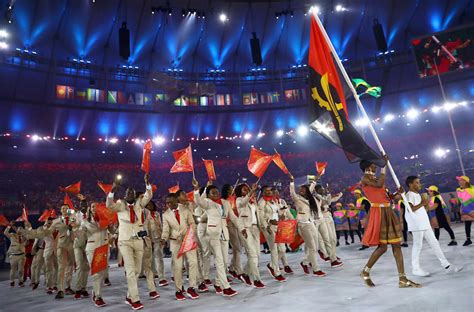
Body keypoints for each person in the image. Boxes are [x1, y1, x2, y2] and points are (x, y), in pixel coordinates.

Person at [358, 158, 420, 288]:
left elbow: (389, 199)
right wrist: (384, 166)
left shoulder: (375, 179)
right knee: (382, 247)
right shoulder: (365, 178)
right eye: (375, 164)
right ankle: (365, 271)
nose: (376, 166)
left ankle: (402, 278)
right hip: (379, 213)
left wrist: (398, 194)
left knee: (396, 244)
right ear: (369, 166)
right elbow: (379, 184)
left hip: (388, 211)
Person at [106, 173, 153, 311]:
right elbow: (109, 205)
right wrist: (112, 190)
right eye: (128, 192)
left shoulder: (139, 203)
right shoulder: (120, 204)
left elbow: (149, 195)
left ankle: (129, 295)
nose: (131, 194)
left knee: (138, 270)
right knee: (131, 270)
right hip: (125, 241)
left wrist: (147, 183)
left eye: (132, 192)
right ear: (125, 194)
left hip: (138, 239)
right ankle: (135, 299)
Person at [192, 178, 245, 297]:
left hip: (224, 234)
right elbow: (199, 202)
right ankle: (225, 287)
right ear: (208, 195)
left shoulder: (225, 203)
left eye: (217, 192)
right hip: (213, 235)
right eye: (213, 193)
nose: (216, 194)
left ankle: (217, 283)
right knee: (219, 261)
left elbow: (233, 217)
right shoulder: (208, 203)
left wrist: (242, 228)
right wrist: (196, 190)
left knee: (225, 261)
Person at [405, 176, 462, 277]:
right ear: (410, 184)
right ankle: (416, 268)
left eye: (419, 182)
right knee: (418, 246)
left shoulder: (417, 194)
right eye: (417, 182)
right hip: (417, 225)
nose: (419, 184)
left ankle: (446, 265)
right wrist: (423, 202)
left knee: (435, 243)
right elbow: (411, 209)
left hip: (424, 223)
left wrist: (425, 204)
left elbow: (423, 209)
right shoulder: (409, 195)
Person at [161, 193, 200, 301]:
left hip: (188, 240)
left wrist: (190, 234)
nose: (168, 204)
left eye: (171, 202)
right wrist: (163, 239)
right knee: (177, 267)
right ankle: (178, 289)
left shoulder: (185, 209)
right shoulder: (165, 215)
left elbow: (192, 223)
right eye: (167, 203)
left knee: (193, 263)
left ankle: (192, 287)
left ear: (176, 201)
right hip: (175, 242)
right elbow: (166, 230)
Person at [288, 175, 326, 277]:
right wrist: (292, 182)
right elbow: (292, 193)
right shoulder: (297, 199)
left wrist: (315, 180)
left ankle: (305, 262)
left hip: (311, 223)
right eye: (299, 189)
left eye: (302, 189)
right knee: (312, 247)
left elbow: (310, 188)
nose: (300, 190)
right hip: (303, 225)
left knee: (316, 246)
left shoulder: (309, 199)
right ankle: (316, 269)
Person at [78, 202, 110, 307]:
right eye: (92, 206)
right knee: (96, 272)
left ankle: (95, 292)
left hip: (103, 248)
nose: (94, 208)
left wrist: (113, 223)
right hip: (91, 248)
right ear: (90, 209)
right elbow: (81, 238)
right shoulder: (85, 221)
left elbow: (114, 230)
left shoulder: (105, 219)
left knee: (101, 273)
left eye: (96, 206)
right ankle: (98, 297)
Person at [235, 183, 265, 288]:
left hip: (255, 229)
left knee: (257, 255)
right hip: (246, 229)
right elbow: (243, 202)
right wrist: (252, 191)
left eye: (247, 189)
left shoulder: (253, 202)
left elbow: (258, 215)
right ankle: (257, 279)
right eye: (244, 190)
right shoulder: (239, 200)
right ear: (239, 192)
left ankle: (245, 274)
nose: (247, 191)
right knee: (252, 255)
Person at [310, 184, 343, 268]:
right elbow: (321, 206)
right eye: (322, 189)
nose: (323, 190)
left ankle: (333, 255)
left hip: (329, 216)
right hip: (323, 218)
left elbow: (328, 201)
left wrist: (338, 195)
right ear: (316, 190)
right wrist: (325, 208)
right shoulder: (315, 197)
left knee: (333, 239)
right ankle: (331, 257)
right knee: (329, 239)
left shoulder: (322, 196)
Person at [258, 186, 287, 282]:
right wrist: (268, 224)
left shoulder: (273, 201)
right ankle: (276, 272)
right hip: (268, 227)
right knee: (274, 249)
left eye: (270, 190)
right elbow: (261, 217)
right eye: (266, 191)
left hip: (277, 226)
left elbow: (278, 211)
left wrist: (281, 215)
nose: (269, 192)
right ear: (263, 193)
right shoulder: (261, 202)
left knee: (282, 250)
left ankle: (271, 265)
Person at [51, 204, 76, 299]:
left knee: (70, 266)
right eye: (62, 208)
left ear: (69, 210)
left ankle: (68, 287)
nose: (64, 209)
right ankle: (60, 289)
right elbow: (49, 232)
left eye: (66, 208)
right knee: (61, 267)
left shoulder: (73, 218)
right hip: (61, 245)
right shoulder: (56, 221)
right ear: (60, 210)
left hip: (72, 244)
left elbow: (78, 226)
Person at [222, 184, 243, 281]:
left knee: (237, 248)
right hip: (227, 225)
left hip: (236, 225)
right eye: (231, 189)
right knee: (232, 249)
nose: (232, 191)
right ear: (227, 191)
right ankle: (237, 271)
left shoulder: (234, 199)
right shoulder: (223, 201)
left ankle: (231, 268)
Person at [73, 194, 90, 300]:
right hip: (78, 244)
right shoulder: (75, 215)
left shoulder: (91, 214)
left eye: (84, 204)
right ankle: (78, 289)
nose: (83, 206)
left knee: (86, 267)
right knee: (79, 266)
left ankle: (83, 288)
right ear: (79, 206)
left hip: (89, 244)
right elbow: (73, 226)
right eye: (81, 204)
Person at [4, 221, 28, 287]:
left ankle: (20, 281)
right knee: (13, 269)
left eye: (21, 229)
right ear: (15, 229)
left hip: (22, 255)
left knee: (21, 270)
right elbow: (5, 233)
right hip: (13, 255)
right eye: (18, 229)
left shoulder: (24, 236)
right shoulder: (12, 235)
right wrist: (9, 225)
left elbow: (25, 243)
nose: (19, 230)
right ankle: (12, 281)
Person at [456, 176, 474, 246]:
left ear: (465, 181)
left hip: (472, 208)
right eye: (459, 180)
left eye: (461, 180)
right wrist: (460, 208)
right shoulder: (458, 190)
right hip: (465, 209)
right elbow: (460, 200)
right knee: (467, 225)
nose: (459, 181)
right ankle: (468, 239)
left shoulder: (472, 189)